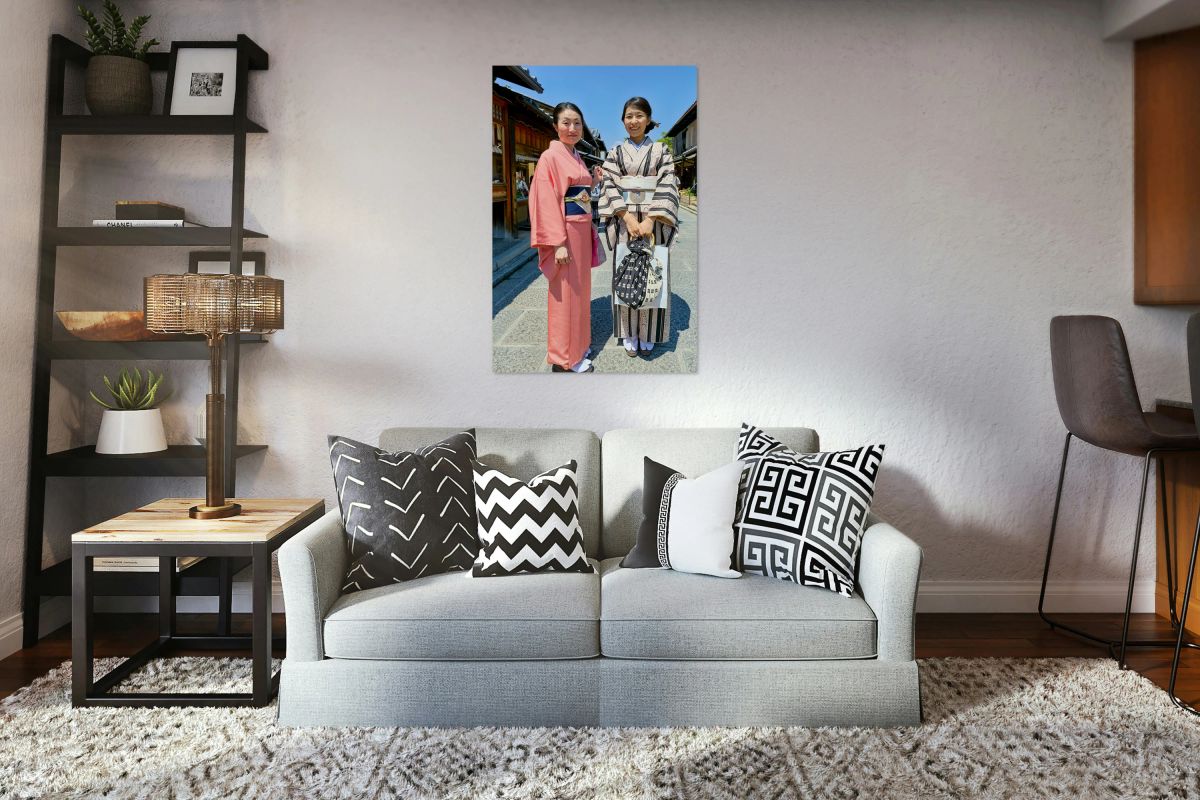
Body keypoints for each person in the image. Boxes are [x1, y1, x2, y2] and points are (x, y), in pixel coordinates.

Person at [598, 96, 680, 357]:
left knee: (653, 273)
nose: (633, 121)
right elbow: (608, 185)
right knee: (626, 273)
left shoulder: (661, 152)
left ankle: (649, 332)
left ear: (648, 119)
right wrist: (629, 218)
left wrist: (650, 219)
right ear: (623, 121)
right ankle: (629, 332)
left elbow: (669, 184)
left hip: (652, 223)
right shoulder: (615, 153)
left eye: (638, 116)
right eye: (628, 116)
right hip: (625, 223)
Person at [529, 102, 603, 373]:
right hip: (565, 234)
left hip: (580, 232)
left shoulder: (576, 155)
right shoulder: (550, 157)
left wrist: (592, 182)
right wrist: (557, 243)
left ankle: (579, 346)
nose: (572, 128)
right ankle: (564, 358)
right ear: (555, 126)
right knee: (565, 295)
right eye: (566, 122)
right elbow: (548, 201)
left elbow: (579, 193)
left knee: (580, 291)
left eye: (577, 123)